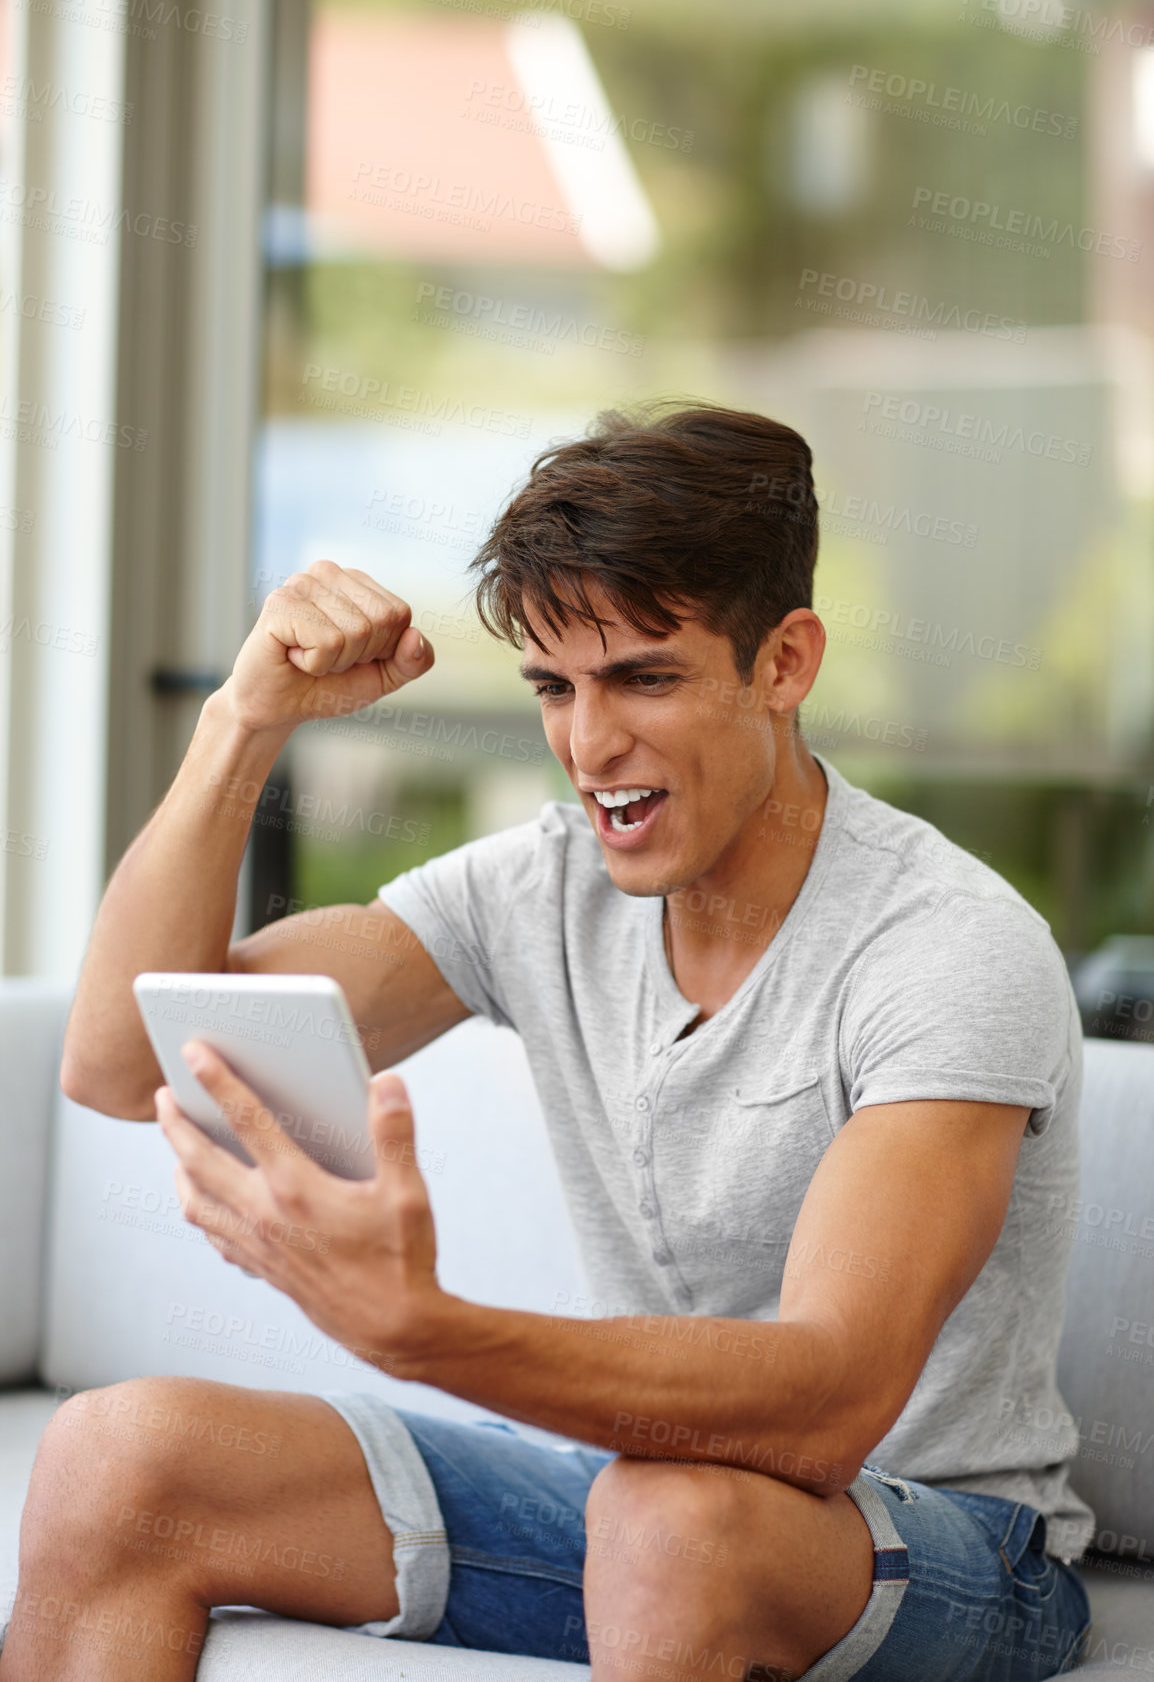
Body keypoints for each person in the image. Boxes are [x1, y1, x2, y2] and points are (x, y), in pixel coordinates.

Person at [1, 403, 1093, 1682]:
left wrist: (422, 1326)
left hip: (948, 1543)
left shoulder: (944, 946)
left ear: (783, 662)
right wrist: (243, 724)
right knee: (119, 1456)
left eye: (643, 676)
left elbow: (828, 1401)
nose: (589, 744)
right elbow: (124, 1063)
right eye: (552, 687)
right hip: (646, 1488)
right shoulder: (545, 886)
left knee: (669, 1522)